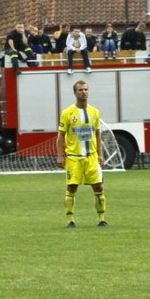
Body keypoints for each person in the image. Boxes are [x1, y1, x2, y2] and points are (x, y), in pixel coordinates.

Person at [56, 80, 108, 227]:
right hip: (74, 157)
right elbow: (60, 136)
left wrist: (100, 154)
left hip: (91, 157)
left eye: (85, 89)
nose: (83, 92)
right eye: (80, 90)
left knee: (98, 187)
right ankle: (70, 220)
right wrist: (60, 156)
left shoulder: (94, 112)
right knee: (72, 188)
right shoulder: (67, 113)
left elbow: (98, 134)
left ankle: (101, 219)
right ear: (75, 93)